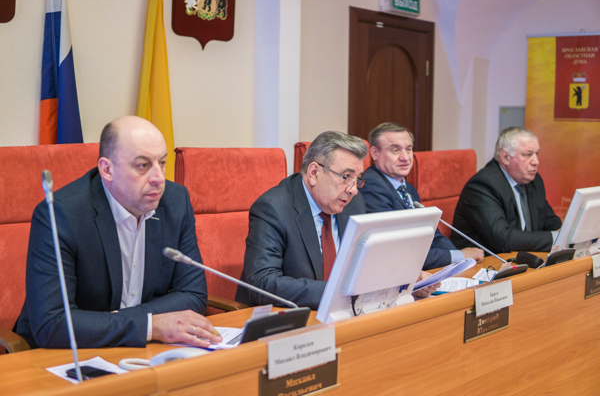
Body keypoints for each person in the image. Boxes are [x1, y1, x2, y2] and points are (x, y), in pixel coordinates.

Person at [15, 116, 222, 349]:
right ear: (107, 169)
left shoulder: (175, 201)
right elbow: (53, 324)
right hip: (63, 354)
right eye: (143, 165)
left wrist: (127, 323)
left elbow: (193, 295)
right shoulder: (61, 214)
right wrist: (150, 326)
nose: (159, 178)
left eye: (162, 162)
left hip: (141, 350)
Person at [235, 131, 439, 310]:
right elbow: (262, 284)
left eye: (357, 178)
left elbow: (366, 261)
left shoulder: (353, 203)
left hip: (346, 314)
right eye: (346, 176)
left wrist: (405, 279)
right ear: (314, 173)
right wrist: (340, 293)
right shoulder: (274, 208)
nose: (353, 189)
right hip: (289, 319)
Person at [359, 122, 484, 269]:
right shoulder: (371, 187)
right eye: (395, 150)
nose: (405, 157)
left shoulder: (408, 188)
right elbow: (399, 250)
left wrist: (461, 259)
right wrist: (459, 256)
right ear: (375, 153)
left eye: (408, 149)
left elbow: (433, 235)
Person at [452, 126, 561, 254]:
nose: (536, 162)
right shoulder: (482, 186)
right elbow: (503, 239)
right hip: (485, 261)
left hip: (521, 257)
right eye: (527, 155)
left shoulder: (533, 181)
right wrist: (555, 238)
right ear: (505, 157)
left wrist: (566, 234)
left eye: (536, 154)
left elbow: (549, 220)